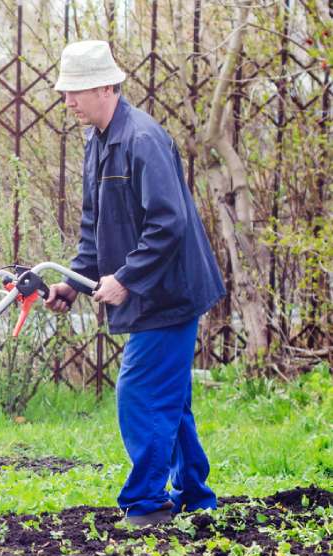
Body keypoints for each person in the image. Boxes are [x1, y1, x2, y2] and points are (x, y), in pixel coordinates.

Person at [44, 40, 226, 526]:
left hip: (170, 291)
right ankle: (195, 495)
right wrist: (74, 284)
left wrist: (125, 280)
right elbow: (95, 227)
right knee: (171, 399)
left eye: (76, 91)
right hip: (150, 288)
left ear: (107, 86)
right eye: (65, 92)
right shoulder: (98, 142)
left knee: (140, 393)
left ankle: (146, 503)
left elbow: (169, 224)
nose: (68, 101)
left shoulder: (142, 140)